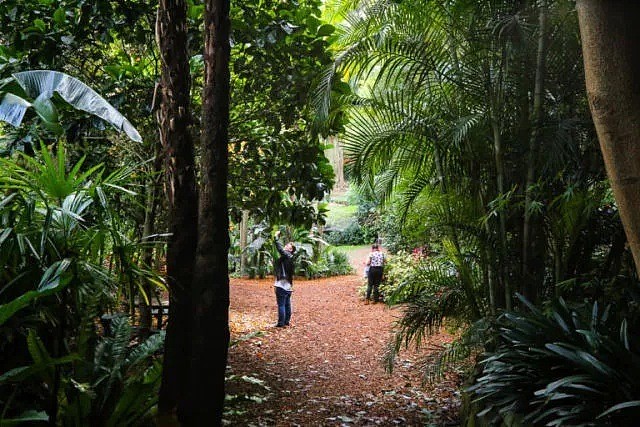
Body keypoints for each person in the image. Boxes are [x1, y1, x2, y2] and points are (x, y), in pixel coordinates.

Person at [273, 231, 296, 327]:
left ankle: (281, 323)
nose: (285, 246)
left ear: (290, 250)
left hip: (281, 285)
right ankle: (286, 321)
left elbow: (280, 249)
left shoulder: (286, 255)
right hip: (288, 286)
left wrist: (276, 237)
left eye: (288, 246)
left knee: (281, 305)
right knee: (287, 304)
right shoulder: (290, 257)